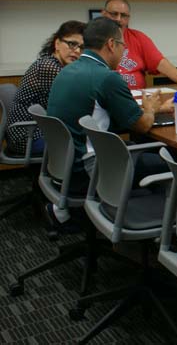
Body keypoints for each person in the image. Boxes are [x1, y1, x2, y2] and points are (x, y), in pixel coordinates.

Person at [46, 17, 167, 227]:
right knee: (167, 162)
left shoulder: (68, 70)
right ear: (111, 44)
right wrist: (151, 108)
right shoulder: (107, 77)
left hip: (63, 165)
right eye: (122, 46)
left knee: (135, 150)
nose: (123, 53)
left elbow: (100, 110)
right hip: (87, 170)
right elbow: (142, 125)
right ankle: (154, 225)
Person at [6, 20, 87, 155]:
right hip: (29, 137)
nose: (77, 51)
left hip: (35, 131)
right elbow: (73, 106)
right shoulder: (48, 67)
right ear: (57, 43)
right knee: (85, 144)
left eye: (82, 47)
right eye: (72, 44)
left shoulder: (53, 63)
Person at [102, 0, 177, 90]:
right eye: (114, 14)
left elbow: (160, 62)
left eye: (124, 15)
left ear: (129, 18)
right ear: (104, 14)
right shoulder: (93, 38)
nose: (118, 19)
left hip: (137, 98)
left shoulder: (138, 38)